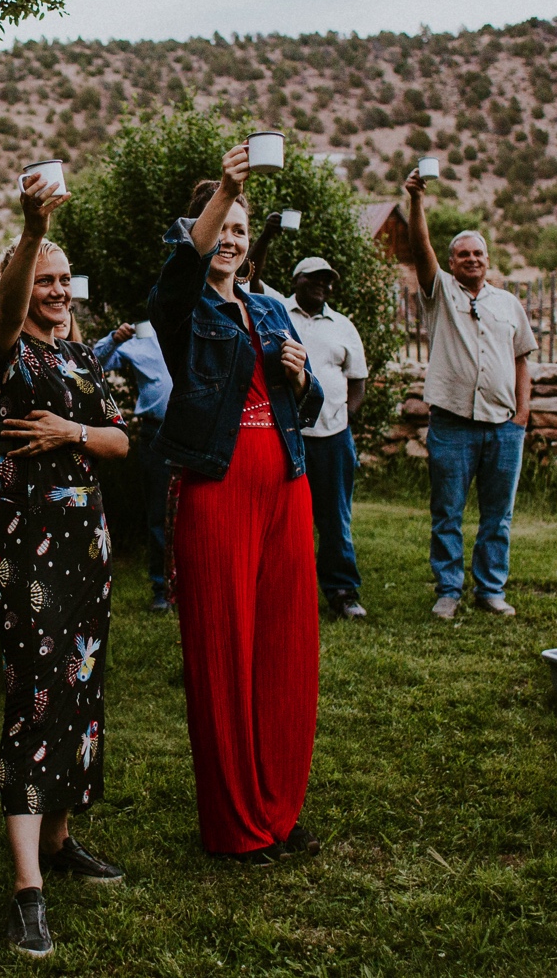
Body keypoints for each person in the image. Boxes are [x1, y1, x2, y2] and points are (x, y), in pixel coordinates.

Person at [149, 144, 326, 864]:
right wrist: (224, 190)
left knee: (284, 651)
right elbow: (174, 279)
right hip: (218, 487)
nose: (231, 241)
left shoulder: (271, 306)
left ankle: (280, 810)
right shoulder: (184, 309)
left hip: (286, 482)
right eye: (221, 228)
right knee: (226, 653)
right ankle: (235, 826)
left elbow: (306, 406)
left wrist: (304, 373)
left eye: (241, 233)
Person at [0, 175, 132, 958]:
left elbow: (120, 442)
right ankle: (27, 887)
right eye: (41, 276)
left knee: (81, 689)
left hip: (90, 544)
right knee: (35, 697)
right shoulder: (4, 349)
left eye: (61, 277)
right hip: (28, 540)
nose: (54, 288)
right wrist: (33, 229)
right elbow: (5, 308)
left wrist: (74, 432)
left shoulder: (80, 354)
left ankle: (63, 839)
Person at [403, 169, 536, 620]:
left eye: (478, 252)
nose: (472, 259)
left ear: (488, 259)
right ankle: (449, 590)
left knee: (498, 516)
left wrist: (523, 415)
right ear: (452, 261)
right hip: (453, 425)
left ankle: (491, 590)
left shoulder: (508, 303)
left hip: (504, 427)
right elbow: (420, 247)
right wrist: (416, 200)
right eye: (463, 254)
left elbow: (522, 359)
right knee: (448, 514)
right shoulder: (439, 291)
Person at [281, 257, 369, 620]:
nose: (322, 285)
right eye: (314, 278)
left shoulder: (343, 325)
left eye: (327, 280)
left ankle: (342, 592)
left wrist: (345, 417)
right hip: (288, 435)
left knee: (335, 518)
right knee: (286, 519)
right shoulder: (277, 313)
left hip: (334, 437)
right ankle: (288, 594)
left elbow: (358, 379)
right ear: (296, 279)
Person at [92, 319, 174, 612]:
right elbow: (95, 363)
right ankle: (161, 590)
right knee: (158, 513)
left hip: (196, 433)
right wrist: (114, 337)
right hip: (157, 434)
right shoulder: (141, 338)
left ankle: (195, 586)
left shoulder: (195, 326)